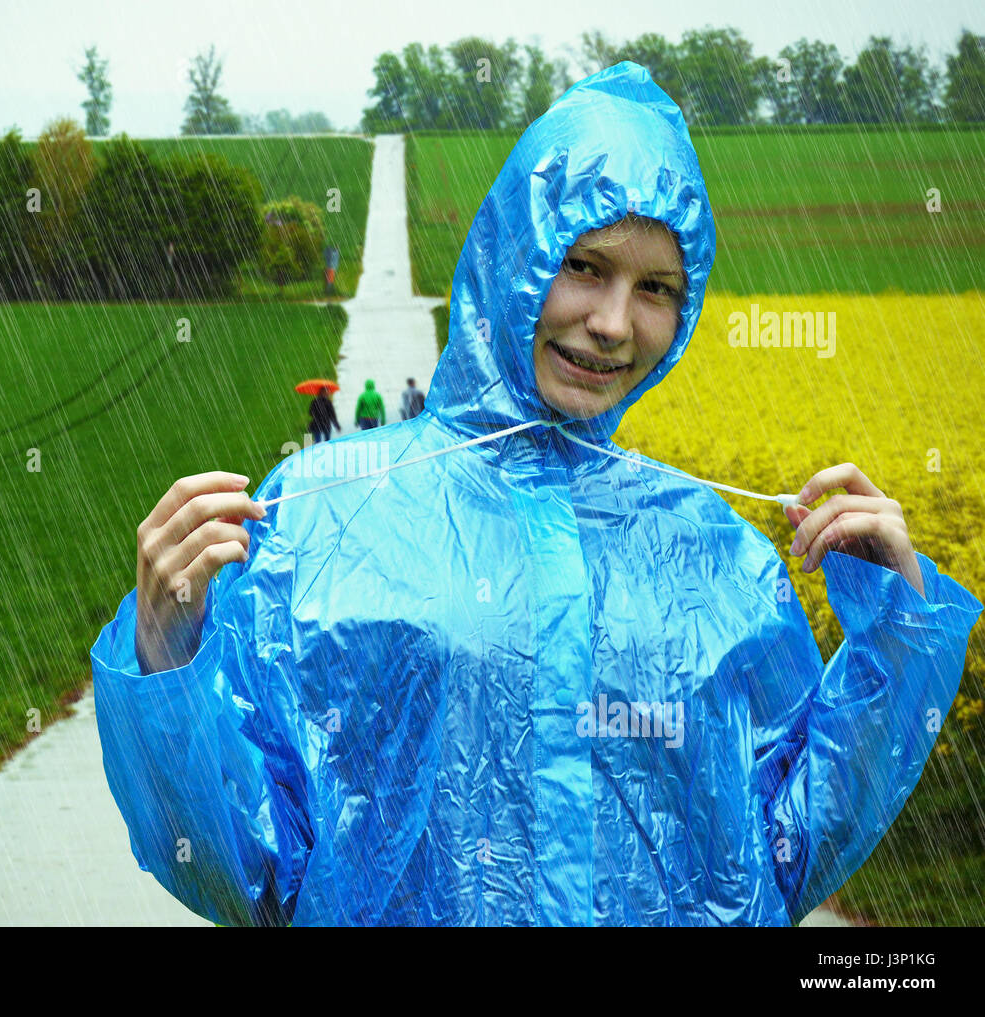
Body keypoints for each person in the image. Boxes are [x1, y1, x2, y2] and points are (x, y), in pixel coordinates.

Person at [92, 61, 981, 927]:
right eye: (586, 266)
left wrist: (897, 640)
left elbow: (785, 858)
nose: (613, 322)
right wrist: (167, 654)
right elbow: (243, 872)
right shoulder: (325, 513)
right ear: (516, 254)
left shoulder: (721, 557)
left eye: (657, 288)